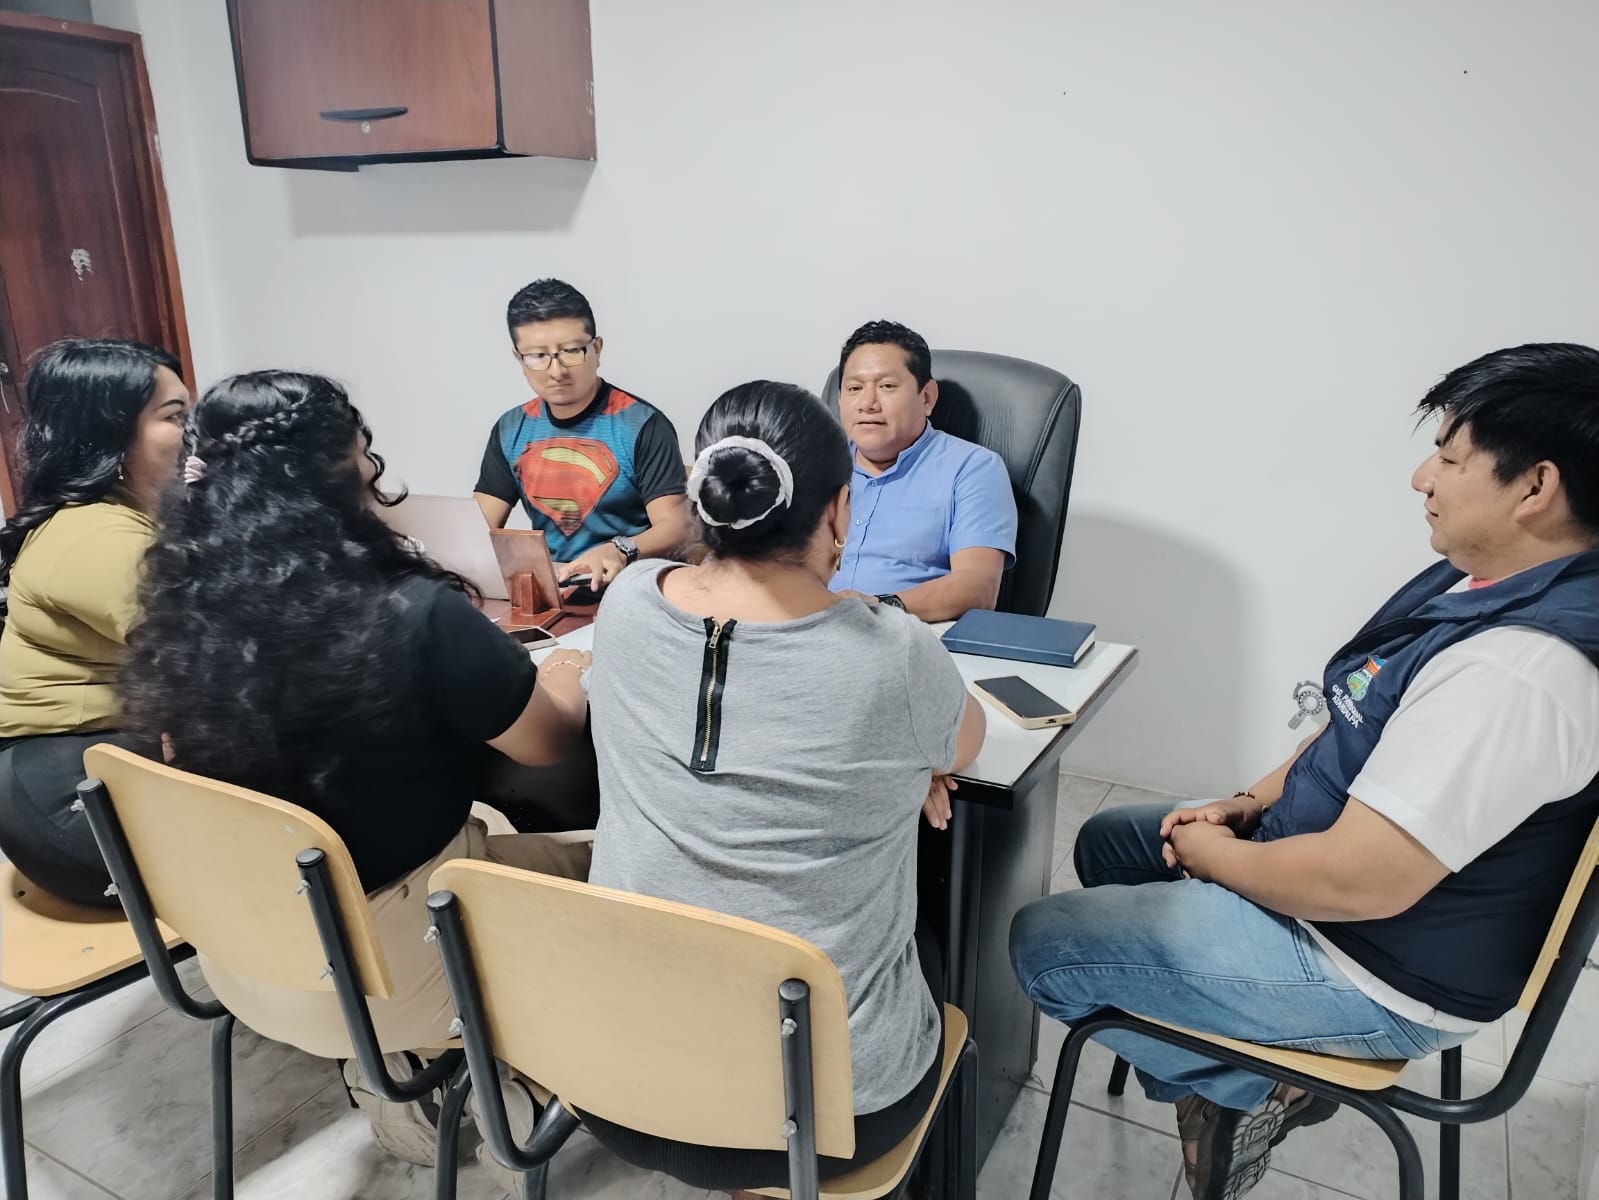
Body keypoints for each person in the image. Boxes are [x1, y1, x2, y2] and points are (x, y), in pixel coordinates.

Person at [1009, 343, 1599, 1200]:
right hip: (1354, 894)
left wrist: (1218, 858)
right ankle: (1225, 1069)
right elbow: (1352, 709)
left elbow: (1357, 882)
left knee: (1043, 945)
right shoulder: (1489, 577)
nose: (1421, 478)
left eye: (1448, 458)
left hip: (1372, 966)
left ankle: (1255, 1087)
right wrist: (1246, 804)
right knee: (1112, 844)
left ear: (1534, 487)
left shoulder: (1517, 672)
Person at [120, 371, 594, 1171]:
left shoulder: (182, 615)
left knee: (465, 838)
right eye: (363, 457)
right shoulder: (413, 612)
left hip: (245, 959)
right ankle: (519, 1076)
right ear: (343, 475)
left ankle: (400, 1079)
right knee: (612, 868)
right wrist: (568, 670)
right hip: (398, 974)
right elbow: (545, 744)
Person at [582, 380, 987, 1189]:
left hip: (617, 1083)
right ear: (838, 511)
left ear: (703, 495)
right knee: (939, 945)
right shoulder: (895, 657)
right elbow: (965, 745)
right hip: (825, 1119)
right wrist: (909, 761)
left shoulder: (625, 602)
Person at [0, 337, 190, 907]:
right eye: (174, 417)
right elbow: (214, 658)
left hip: (95, 767)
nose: (193, 434)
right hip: (71, 806)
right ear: (108, 432)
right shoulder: (97, 534)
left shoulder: (122, 516)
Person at [473, 277, 688, 591]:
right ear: (519, 358)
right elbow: (478, 530)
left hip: (629, 587)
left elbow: (675, 527)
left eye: (572, 351)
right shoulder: (511, 428)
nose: (556, 371)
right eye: (537, 356)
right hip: (552, 589)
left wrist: (620, 549)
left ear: (596, 349)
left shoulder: (641, 424)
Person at [829, 320, 1018, 621]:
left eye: (887, 386)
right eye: (854, 388)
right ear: (840, 399)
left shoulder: (972, 469)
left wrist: (878, 606)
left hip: (909, 633)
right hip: (807, 629)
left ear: (927, 397)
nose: (867, 403)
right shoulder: (816, 465)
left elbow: (978, 588)